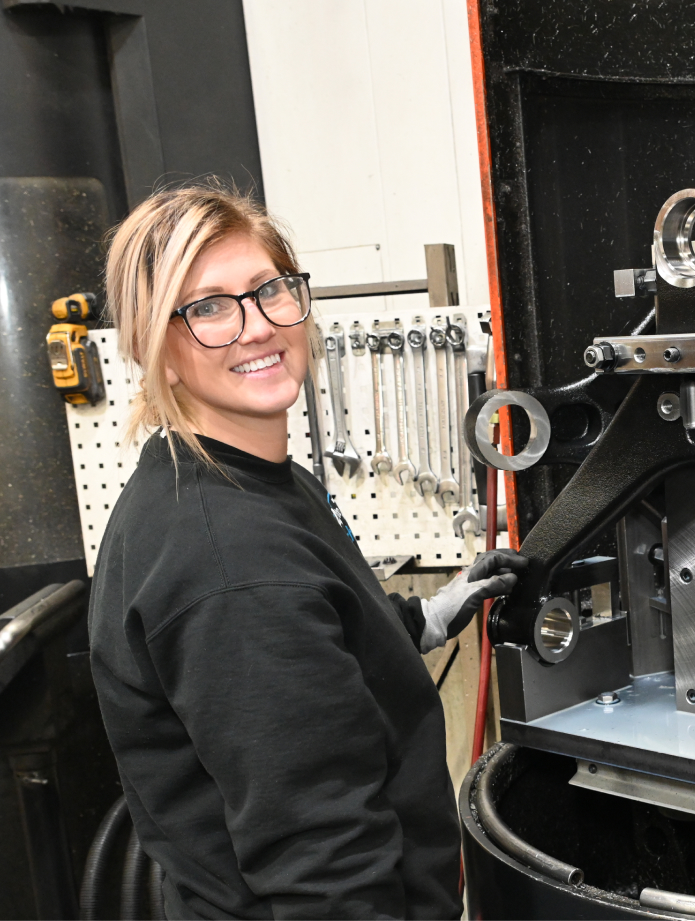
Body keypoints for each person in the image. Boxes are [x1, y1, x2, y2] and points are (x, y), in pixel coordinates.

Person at [87, 182, 523, 919]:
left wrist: (426, 618)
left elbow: (313, 649)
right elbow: (324, 863)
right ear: (157, 350)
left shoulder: (237, 484)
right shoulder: (231, 563)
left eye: (267, 290)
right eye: (209, 308)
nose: (255, 327)